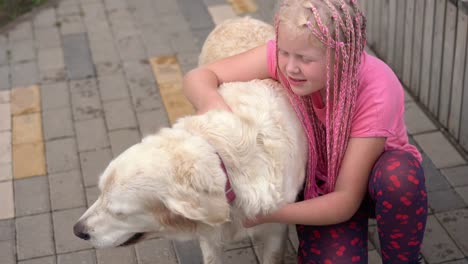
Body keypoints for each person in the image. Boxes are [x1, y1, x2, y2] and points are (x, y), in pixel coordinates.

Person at [182, 0, 428, 263]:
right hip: (320, 187)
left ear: (342, 56)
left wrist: (270, 213)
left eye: (305, 59)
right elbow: (200, 76)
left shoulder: (377, 88)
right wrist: (216, 108)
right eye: (283, 52)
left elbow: (346, 199)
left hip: (365, 185)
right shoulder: (290, 59)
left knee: (400, 177)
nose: (290, 68)